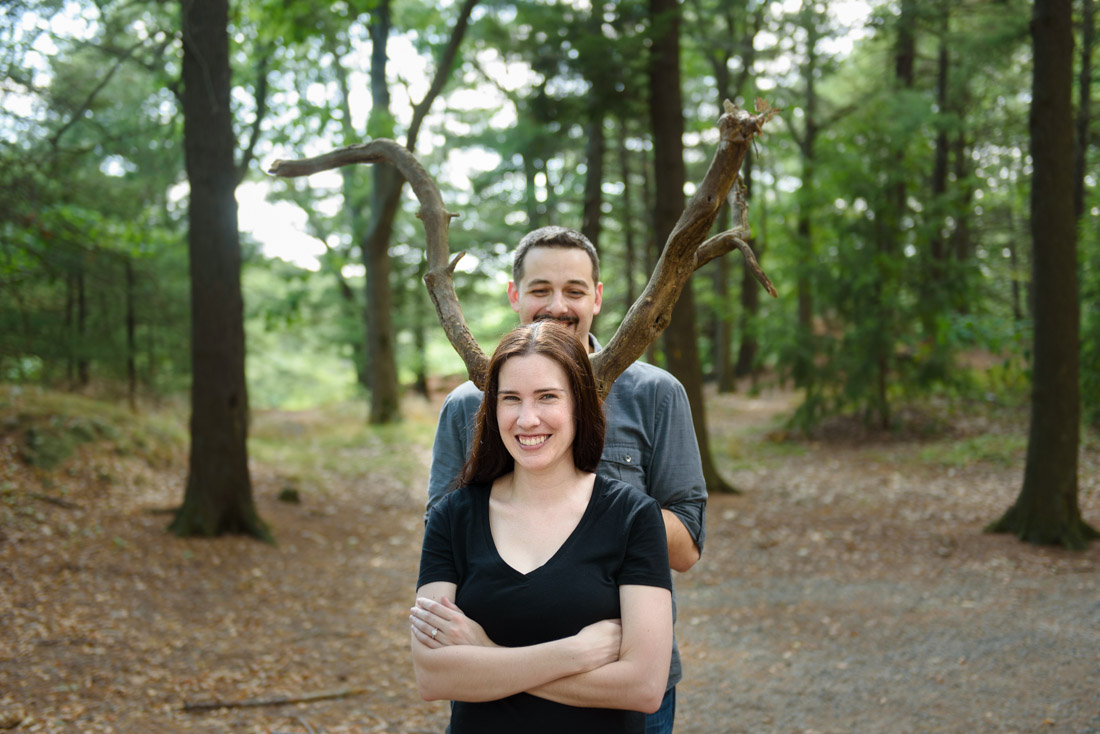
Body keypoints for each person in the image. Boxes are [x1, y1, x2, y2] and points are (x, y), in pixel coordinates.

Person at [423, 225, 707, 733]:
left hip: (620, 678)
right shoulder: (468, 405)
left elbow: (685, 550)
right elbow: (445, 545)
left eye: (574, 290)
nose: (557, 305)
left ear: (597, 298)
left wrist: (581, 500)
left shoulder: (657, 394)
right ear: (515, 296)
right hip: (489, 697)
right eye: (539, 290)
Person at [411, 321, 673, 733]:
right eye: (510, 398)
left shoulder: (633, 516)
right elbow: (434, 676)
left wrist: (485, 653)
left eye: (547, 397)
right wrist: (575, 653)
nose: (527, 418)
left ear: (578, 404)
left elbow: (643, 686)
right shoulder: (452, 517)